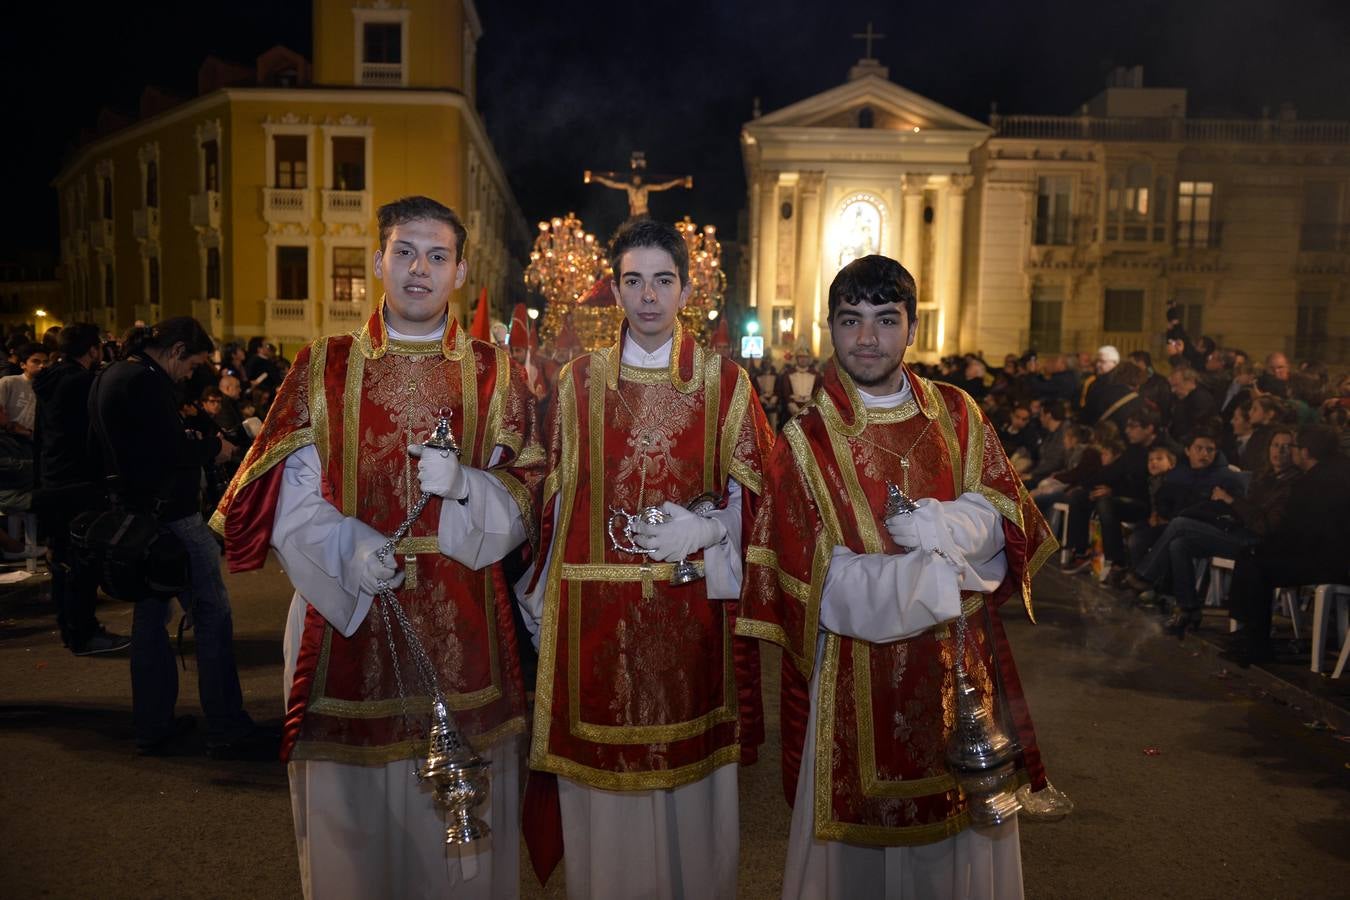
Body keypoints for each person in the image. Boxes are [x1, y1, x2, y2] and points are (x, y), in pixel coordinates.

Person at [212, 196, 542, 899]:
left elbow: (529, 492)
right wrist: (349, 547)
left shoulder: (496, 372)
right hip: (346, 623)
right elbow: (290, 498)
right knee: (355, 839)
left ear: (459, 272)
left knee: (460, 841)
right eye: (405, 252)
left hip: (467, 630)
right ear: (378, 263)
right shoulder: (324, 365)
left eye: (438, 256)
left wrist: (466, 490)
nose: (420, 269)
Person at [737, 254, 1057, 899]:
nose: (867, 338)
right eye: (851, 321)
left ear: (911, 328)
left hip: (961, 675)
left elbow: (1006, 514)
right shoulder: (806, 443)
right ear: (829, 327)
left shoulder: (959, 414)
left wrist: (943, 524)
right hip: (855, 678)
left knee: (957, 846)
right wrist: (933, 577)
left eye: (886, 320)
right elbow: (813, 582)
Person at [520, 216, 773, 899]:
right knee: (607, 826)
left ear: (686, 289)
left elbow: (766, 498)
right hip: (593, 628)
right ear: (615, 290)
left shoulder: (726, 385)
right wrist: (542, 599)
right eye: (633, 281)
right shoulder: (576, 384)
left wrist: (712, 529)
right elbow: (552, 499)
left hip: (690, 624)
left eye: (663, 280)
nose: (649, 297)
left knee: (688, 808)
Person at [89, 317, 268, 757]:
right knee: (212, 618)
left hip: (140, 519)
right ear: (176, 351)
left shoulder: (114, 374)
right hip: (172, 517)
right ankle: (226, 725)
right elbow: (169, 451)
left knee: (150, 621)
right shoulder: (144, 383)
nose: (192, 374)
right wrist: (214, 448)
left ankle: (153, 724)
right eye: (193, 364)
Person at [32, 323, 129, 655]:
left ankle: (72, 629)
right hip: (77, 484)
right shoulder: (81, 383)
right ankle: (84, 633)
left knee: (63, 562)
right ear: (92, 350)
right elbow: (94, 434)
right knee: (82, 561)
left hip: (52, 479)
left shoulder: (50, 379)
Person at [1223, 423, 1350, 667]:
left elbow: (1297, 533)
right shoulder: (1340, 470)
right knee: (1253, 557)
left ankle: (1256, 643)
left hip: (1329, 561)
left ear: (1306, 452)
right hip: (1333, 555)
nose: (1290, 452)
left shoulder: (1310, 485)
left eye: (1294, 447)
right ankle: (1247, 634)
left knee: (1257, 564)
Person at [778, 345, 821, 423]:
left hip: (810, 408)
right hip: (792, 409)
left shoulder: (816, 375)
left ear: (809, 359)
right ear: (797, 359)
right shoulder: (788, 374)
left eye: (805, 357)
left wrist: (811, 408)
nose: (803, 360)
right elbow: (786, 392)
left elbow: (817, 392)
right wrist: (794, 408)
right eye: (800, 357)